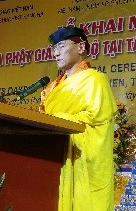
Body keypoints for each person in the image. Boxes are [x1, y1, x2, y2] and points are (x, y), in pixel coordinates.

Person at [39, 26, 118, 211]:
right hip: (55, 158)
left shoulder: (95, 80)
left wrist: (55, 119)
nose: (55, 53)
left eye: (61, 46)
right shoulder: (54, 87)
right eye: (53, 49)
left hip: (81, 161)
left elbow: (95, 119)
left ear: (81, 48)